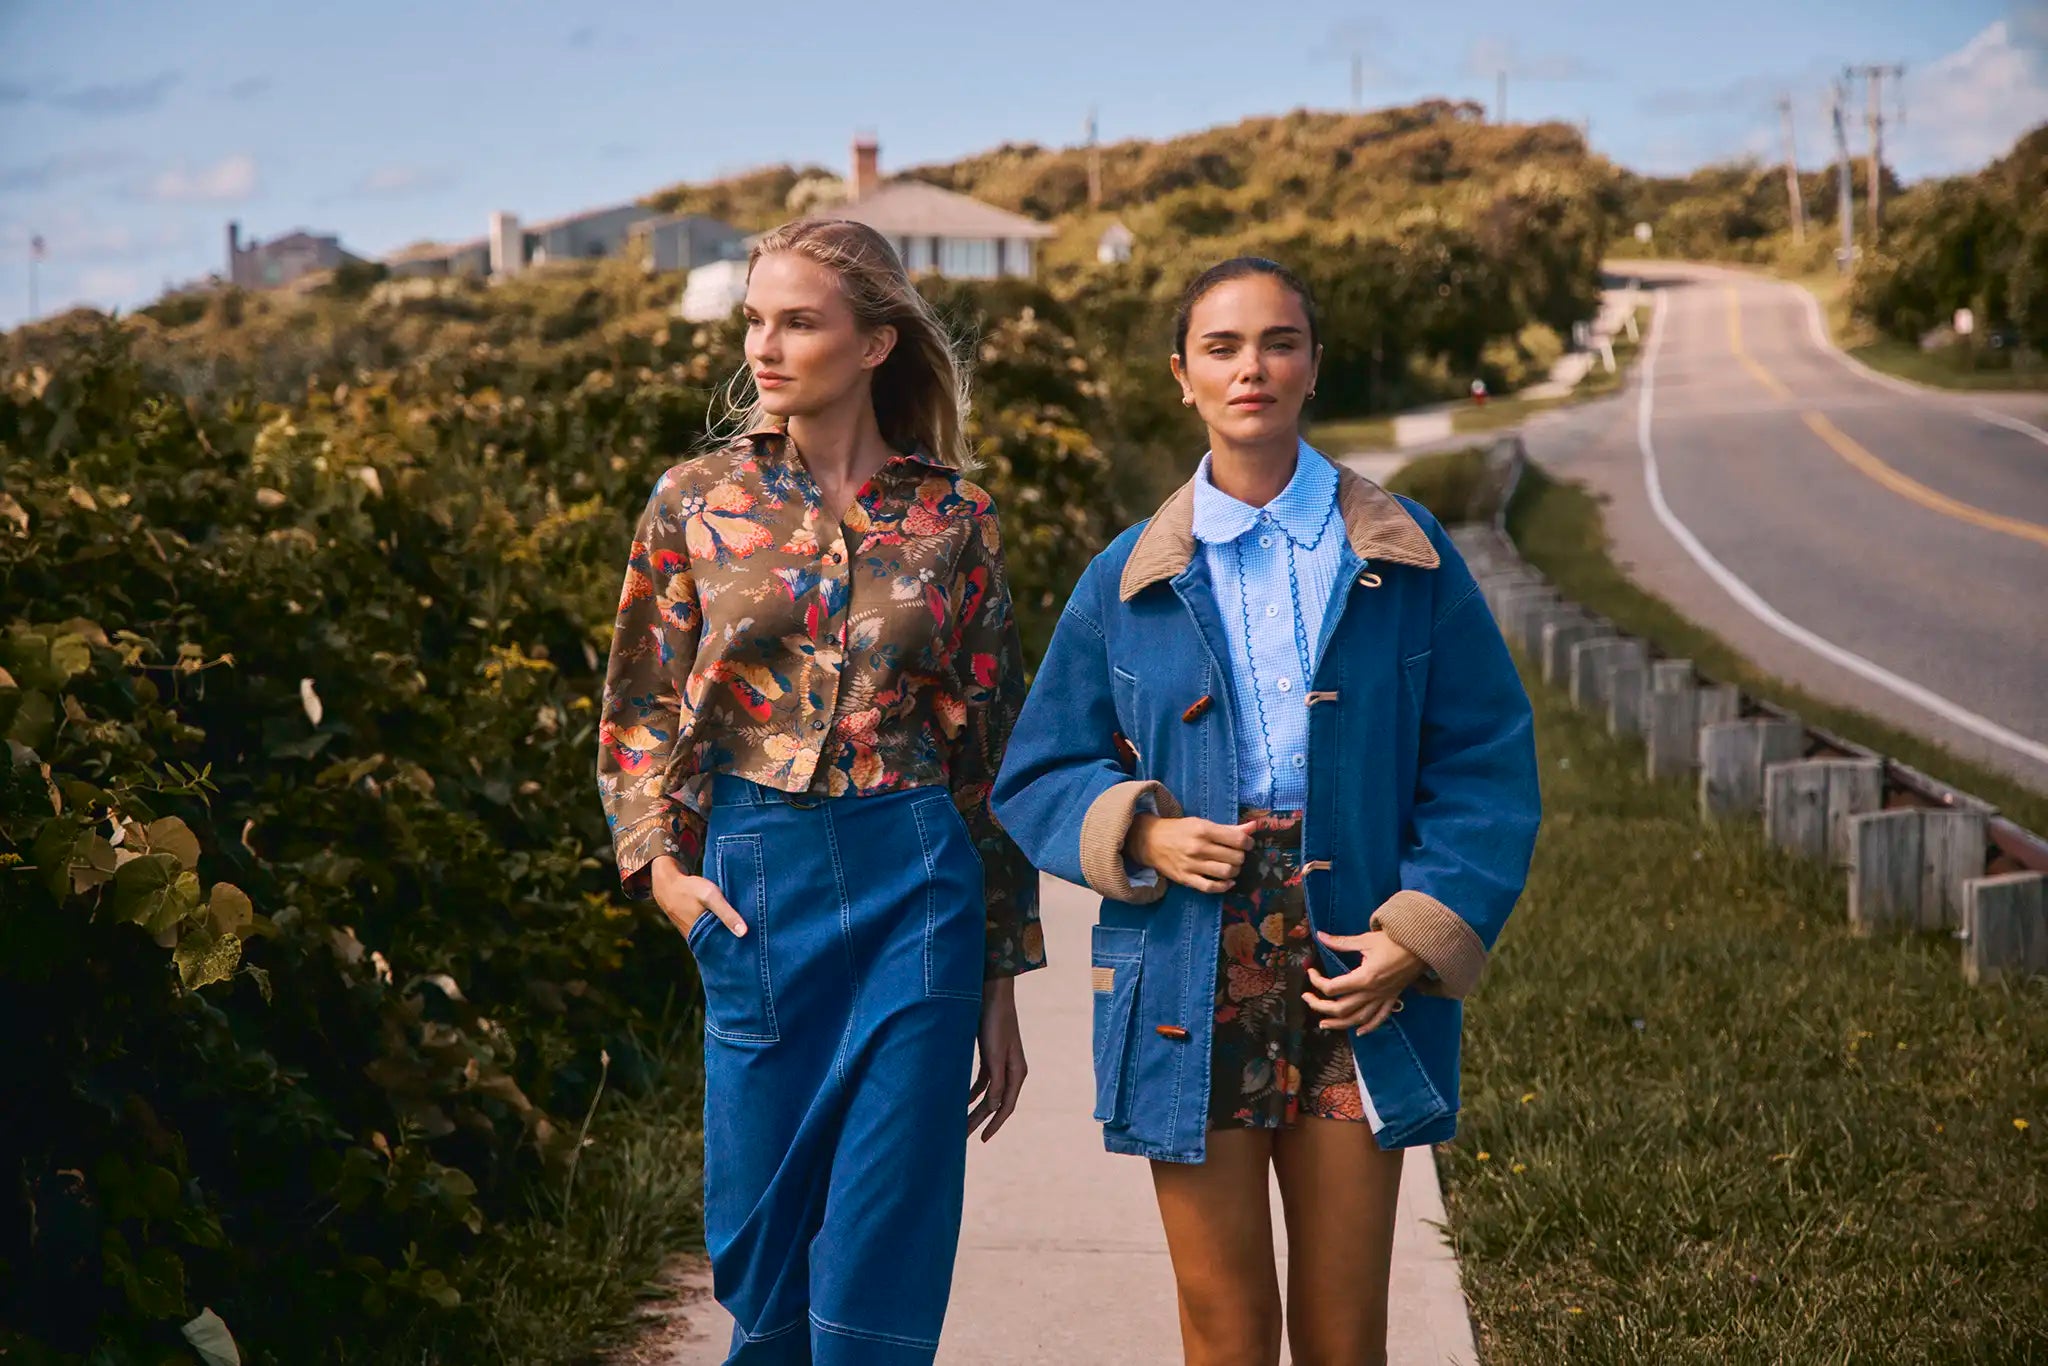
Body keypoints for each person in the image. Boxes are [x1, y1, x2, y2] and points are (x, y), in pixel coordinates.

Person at [991, 257, 1540, 1365]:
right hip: (1191, 955)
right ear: (1181, 378)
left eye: (1278, 342)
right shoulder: (1124, 577)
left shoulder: (1405, 555)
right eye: (1222, 347)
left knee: (1345, 1333)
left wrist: (1417, 932)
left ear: (1312, 367)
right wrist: (1138, 831)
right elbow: (1036, 772)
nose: (1252, 367)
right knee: (1224, 1327)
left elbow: (1485, 763)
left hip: (1356, 960)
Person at [596, 218, 1042, 1364]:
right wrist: (662, 876)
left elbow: (983, 752)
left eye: (798, 320)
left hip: (917, 880)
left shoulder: (958, 520)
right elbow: (639, 707)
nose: (765, 345)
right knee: (757, 1245)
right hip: (754, 876)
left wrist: (999, 971)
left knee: (884, 1236)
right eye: (755, 318)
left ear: (876, 342)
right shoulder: (697, 500)